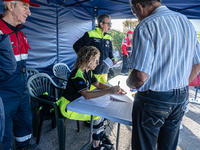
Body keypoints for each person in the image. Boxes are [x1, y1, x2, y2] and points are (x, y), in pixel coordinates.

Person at [126, 0, 200, 150]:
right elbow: (197, 63)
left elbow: (140, 76)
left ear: (139, 7)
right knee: (168, 147)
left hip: (153, 99)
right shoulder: (185, 21)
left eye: (135, 13)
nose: (137, 17)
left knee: (144, 146)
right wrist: (179, 84)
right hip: (180, 97)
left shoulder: (146, 25)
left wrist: (129, 84)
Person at [57, 46, 125, 150]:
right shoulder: (77, 73)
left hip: (78, 102)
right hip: (68, 106)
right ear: (87, 59)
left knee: (103, 111)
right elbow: (87, 95)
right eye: (95, 60)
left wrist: (114, 89)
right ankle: (96, 145)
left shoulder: (87, 71)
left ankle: (100, 136)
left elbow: (98, 84)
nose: (98, 63)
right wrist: (109, 91)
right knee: (98, 114)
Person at [0, 0, 40, 150]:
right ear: (10, 6)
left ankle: (24, 146)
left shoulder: (21, 33)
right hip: (3, 91)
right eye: (25, 7)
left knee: (24, 121)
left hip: (22, 87)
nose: (29, 12)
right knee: (2, 129)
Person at [73, 14, 117, 89]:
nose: (110, 26)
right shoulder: (90, 34)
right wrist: (86, 59)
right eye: (108, 24)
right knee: (93, 95)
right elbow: (76, 46)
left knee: (104, 93)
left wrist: (113, 59)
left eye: (111, 24)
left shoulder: (108, 37)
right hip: (93, 71)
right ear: (101, 24)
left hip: (105, 71)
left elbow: (110, 52)